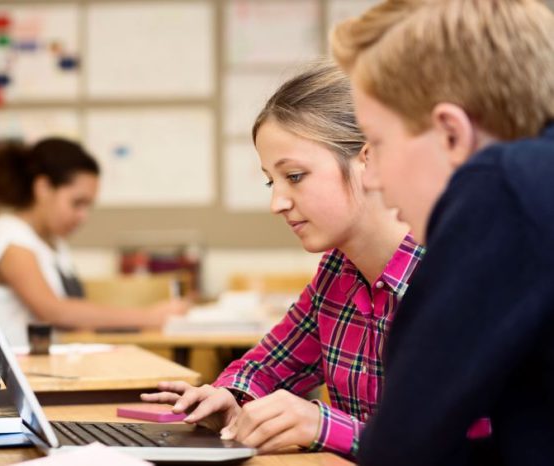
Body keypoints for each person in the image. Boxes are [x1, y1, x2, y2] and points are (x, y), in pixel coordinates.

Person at [141, 62, 424, 459]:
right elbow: (270, 364)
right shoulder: (337, 270)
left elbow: (464, 445)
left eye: (294, 176)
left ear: (369, 160)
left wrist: (321, 425)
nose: (277, 203)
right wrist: (230, 397)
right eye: (271, 181)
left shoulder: (449, 274)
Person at [330, 1, 554, 465]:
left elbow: (401, 449)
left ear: (452, 134)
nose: (372, 178)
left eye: (379, 142)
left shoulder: (504, 185)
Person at [0, 137, 188, 346]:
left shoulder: (53, 243)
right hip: (15, 375)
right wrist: (148, 317)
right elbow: (54, 311)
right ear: (43, 187)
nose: (83, 217)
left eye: (88, 206)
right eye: (77, 203)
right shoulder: (7, 236)